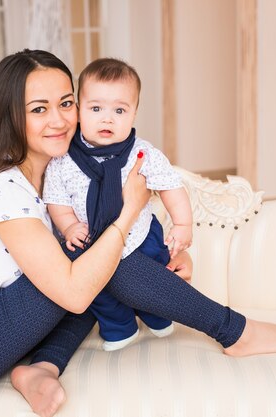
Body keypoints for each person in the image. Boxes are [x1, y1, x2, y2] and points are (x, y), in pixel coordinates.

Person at [0, 49, 276, 417]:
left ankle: (39, 369)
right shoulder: (3, 188)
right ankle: (235, 331)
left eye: (67, 103)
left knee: (96, 266)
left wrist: (164, 259)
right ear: (9, 116)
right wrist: (129, 210)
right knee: (95, 259)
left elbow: (98, 267)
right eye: (38, 109)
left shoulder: (59, 169)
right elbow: (74, 288)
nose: (59, 119)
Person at [44, 57, 193, 351]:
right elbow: (56, 202)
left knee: (156, 281)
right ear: (77, 111)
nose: (107, 118)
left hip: (141, 239)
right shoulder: (63, 160)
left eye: (120, 110)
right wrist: (70, 225)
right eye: (96, 108)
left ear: (134, 114)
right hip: (91, 244)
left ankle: (158, 316)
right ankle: (119, 327)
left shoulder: (143, 154)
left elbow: (171, 188)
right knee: (100, 293)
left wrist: (183, 223)